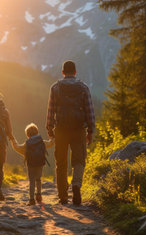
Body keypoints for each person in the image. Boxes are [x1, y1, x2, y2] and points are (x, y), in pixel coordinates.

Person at [46, 60, 95, 206]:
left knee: (61, 163)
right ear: (75, 72)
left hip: (61, 129)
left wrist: (50, 128)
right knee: (79, 160)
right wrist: (90, 131)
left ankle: (63, 196)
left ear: (62, 72)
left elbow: (50, 110)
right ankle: (76, 185)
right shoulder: (83, 87)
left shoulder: (55, 88)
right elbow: (90, 111)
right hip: (79, 129)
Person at [11, 123, 54, 206]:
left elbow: (18, 148)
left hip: (30, 164)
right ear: (37, 132)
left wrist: (13, 140)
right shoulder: (42, 142)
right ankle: (38, 195)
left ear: (27, 134)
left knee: (32, 181)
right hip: (40, 163)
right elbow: (50, 143)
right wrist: (52, 136)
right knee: (38, 179)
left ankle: (31, 199)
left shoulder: (27, 144)